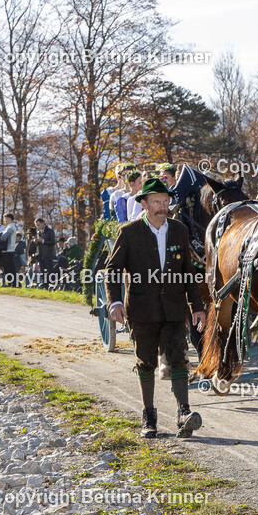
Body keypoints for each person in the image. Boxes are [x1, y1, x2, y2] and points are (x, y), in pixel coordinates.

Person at [105, 178, 206, 438]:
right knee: (146, 362)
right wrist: (114, 302)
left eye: (165, 201)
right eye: (156, 202)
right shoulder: (129, 232)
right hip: (141, 309)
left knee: (179, 358)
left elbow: (188, 272)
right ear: (144, 204)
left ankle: (184, 414)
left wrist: (197, 306)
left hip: (174, 308)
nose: (162, 206)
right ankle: (149, 417)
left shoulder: (179, 230)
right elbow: (113, 269)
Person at [0, 213, 18, 286]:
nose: (5, 220)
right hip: (7, 250)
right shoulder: (8, 227)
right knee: (8, 268)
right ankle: (11, 283)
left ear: (10, 218)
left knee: (10, 268)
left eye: (6, 218)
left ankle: (14, 283)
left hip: (9, 250)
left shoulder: (10, 228)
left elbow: (3, 237)